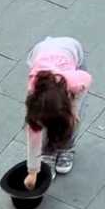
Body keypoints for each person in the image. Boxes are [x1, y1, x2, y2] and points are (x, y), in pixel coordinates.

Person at [23, 36, 92, 190]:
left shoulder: (76, 81)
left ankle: (67, 148)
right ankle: (48, 152)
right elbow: (33, 134)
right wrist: (33, 171)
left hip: (72, 50)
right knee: (53, 122)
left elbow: (87, 79)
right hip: (42, 52)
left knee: (73, 120)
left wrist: (73, 108)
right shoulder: (34, 97)